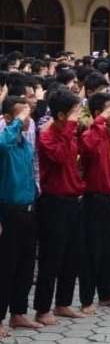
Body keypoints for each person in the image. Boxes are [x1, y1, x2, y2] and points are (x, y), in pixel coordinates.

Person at [34, 88, 87, 325]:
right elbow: (62, 158)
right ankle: (42, 308)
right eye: (75, 111)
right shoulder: (47, 135)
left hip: (73, 200)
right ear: (62, 115)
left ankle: (63, 303)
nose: (79, 115)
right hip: (54, 202)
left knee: (72, 254)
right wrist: (69, 130)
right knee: (51, 257)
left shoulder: (71, 132)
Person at [78, 92, 110, 313]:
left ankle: (107, 294)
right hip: (94, 201)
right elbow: (86, 147)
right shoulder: (91, 135)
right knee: (91, 252)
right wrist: (98, 122)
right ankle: (87, 300)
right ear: (98, 113)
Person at [0, 95, 43, 336]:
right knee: (5, 268)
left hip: (28, 210)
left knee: (25, 266)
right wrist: (15, 122)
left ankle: (18, 313)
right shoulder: (4, 142)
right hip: (7, 211)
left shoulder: (25, 144)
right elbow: (2, 143)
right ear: (7, 118)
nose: (28, 120)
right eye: (22, 115)